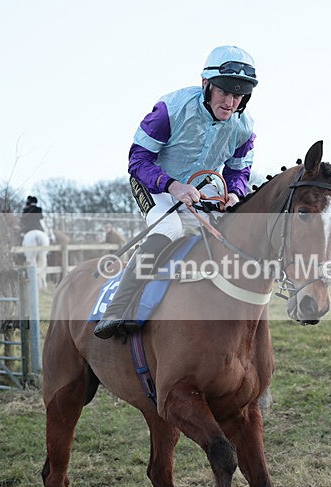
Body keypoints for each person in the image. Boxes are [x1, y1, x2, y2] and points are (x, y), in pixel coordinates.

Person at [94, 44, 258, 339]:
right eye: (224, 92)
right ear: (206, 84)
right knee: (170, 226)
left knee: (223, 235)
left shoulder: (244, 128)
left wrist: (234, 193)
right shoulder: (170, 109)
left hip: (199, 192)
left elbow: (238, 171)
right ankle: (118, 307)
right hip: (152, 183)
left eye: (238, 95)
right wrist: (172, 185)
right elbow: (137, 160)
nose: (231, 102)